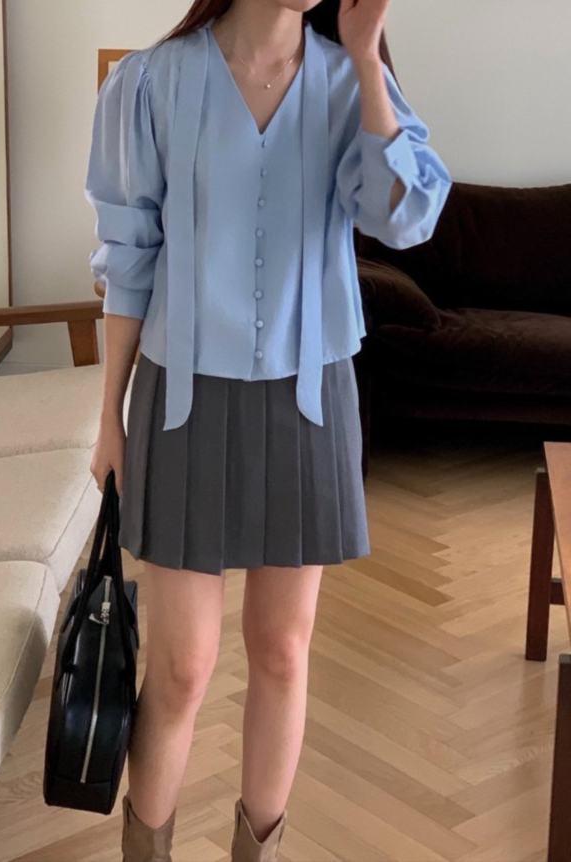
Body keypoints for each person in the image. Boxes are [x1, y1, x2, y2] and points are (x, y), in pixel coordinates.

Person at [85, 0, 452, 859]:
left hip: (310, 399)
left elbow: (403, 218)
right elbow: (129, 257)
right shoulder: (152, 84)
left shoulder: (349, 81)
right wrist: (108, 416)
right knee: (182, 668)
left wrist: (366, 58)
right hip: (183, 400)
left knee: (283, 652)